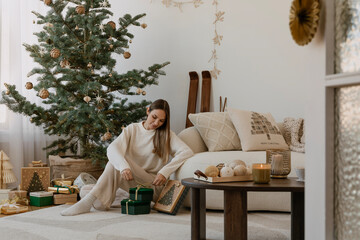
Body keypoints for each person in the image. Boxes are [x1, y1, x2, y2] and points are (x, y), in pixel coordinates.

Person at [61, 99, 194, 216]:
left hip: (153, 185)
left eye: (161, 121)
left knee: (115, 164)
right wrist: (124, 167)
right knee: (87, 189)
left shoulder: (167, 135)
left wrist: (165, 172)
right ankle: (115, 197)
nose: (156, 123)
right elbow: (112, 148)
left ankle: (88, 202)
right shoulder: (132, 129)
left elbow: (186, 152)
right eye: (154, 117)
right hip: (132, 181)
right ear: (148, 111)